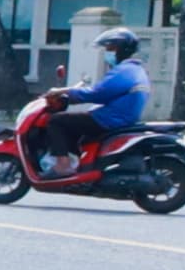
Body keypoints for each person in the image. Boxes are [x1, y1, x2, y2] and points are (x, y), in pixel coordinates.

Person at [37, 23, 148, 168]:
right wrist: (71, 95)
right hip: (118, 117)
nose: (107, 52)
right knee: (75, 124)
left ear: (122, 49)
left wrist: (63, 92)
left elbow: (97, 93)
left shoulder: (125, 70)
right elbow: (104, 93)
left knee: (56, 121)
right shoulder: (134, 70)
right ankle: (76, 162)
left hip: (111, 119)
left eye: (111, 48)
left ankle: (62, 166)